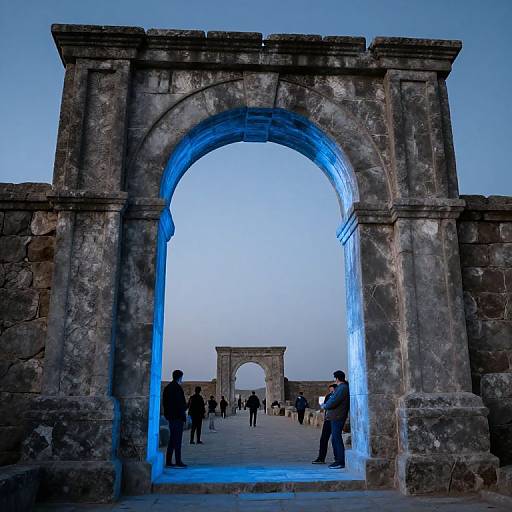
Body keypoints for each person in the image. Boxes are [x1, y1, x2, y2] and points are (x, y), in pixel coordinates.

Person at [321, 370, 349, 469]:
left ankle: (340, 461)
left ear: (337, 378)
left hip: (337, 416)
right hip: (336, 416)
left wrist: (325, 406)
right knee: (335, 439)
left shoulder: (342, 388)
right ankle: (338, 459)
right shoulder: (342, 388)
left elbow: (334, 401)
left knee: (336, 439)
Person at [162, 369, 187, 468]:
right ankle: (178, 461)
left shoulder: (167, 388)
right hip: (178, 417)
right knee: (177, 440)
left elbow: (165, 403)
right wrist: (184, 411)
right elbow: (180, 404)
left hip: (171, 417)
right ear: (180, 377)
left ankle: (168, 461)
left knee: (172, 439)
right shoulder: (177, 388)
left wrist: (167, 415)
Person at [312, 383, 337, 464]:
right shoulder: (328, 396)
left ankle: (338, 458)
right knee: (323, 439)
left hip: (335, 419)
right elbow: (325, 406)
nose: (331, 391)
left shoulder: (337, 396)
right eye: (330, 390)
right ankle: (321, 458)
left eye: (332, 390)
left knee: (335, 440)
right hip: (327, 419)